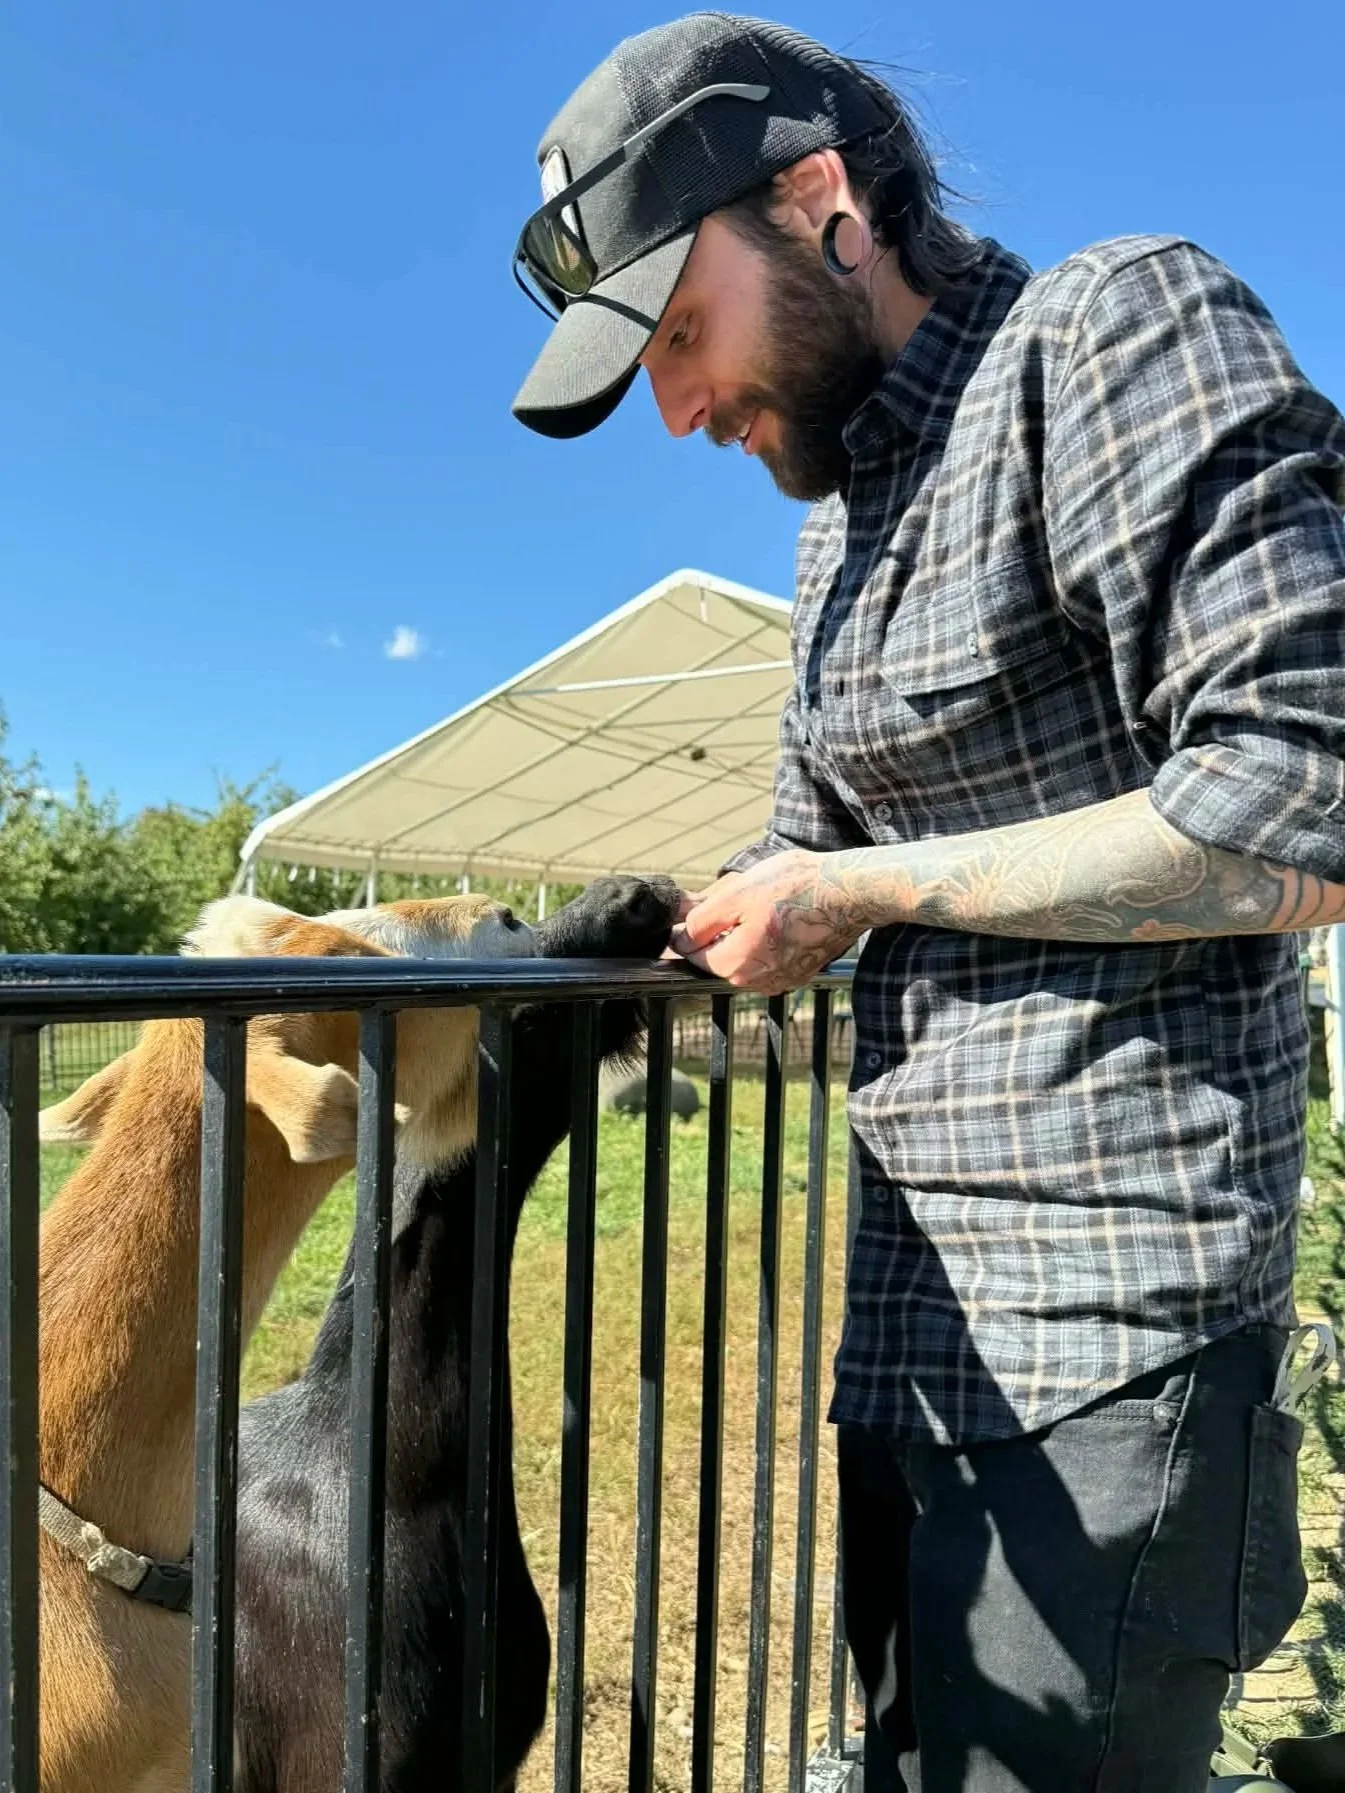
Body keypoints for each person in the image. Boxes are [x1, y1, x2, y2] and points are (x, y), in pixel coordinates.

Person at [511, 15, 1345, 1790]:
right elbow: (794, 863)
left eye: (678, 331)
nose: (674, 407)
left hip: (1113, 1332)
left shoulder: (1109, 334)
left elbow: (1307, 794)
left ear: (823, 201)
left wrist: (864, 884)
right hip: (911, 1325)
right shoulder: (835, 531)